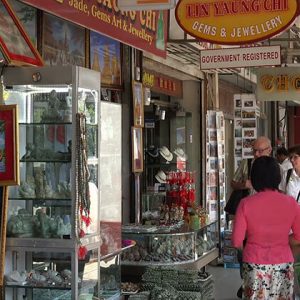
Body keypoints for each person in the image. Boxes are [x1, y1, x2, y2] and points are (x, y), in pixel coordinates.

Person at [232, 156, 300, 299]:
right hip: (283, 264)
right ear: (277, 176)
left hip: (254, 264)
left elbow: (236, 241)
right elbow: (299, 237)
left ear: (254, 178)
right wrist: (282, 240)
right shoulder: (291, 203)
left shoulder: (245, 204)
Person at [229, 136, 272, 298]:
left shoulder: (276, 168)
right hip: (246, 216)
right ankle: (246, 280)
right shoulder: (246, 164)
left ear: (269, 150)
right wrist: (243, 185)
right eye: (254, 150)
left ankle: (260, 283)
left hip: (268, 219)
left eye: (261, 151)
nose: (257, 154)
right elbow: (233, 183)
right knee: (242, 250)